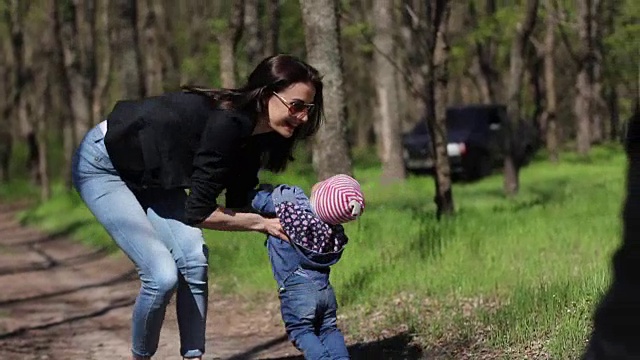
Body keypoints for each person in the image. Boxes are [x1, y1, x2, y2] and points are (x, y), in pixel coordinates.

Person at [71, 54, 324, 360]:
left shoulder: (258, 136)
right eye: (296, 106)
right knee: (162, 276)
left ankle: (193, 356)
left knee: (193, 260)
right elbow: (199, 213)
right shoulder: (228, 124)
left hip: (156, 174)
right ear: (267, 94)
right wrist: (263, 223)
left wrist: (301, 211)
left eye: (308, 109)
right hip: (105, 164)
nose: (303, 118)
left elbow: (239, 202)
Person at [250, 174, 365, 360]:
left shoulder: (293, 206)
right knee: (328, 329)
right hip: (324, 290)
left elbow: (258, 201)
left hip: (298, 290)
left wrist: (244, 192)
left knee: (301, 331)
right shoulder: (333, 230)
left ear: (321, 194)